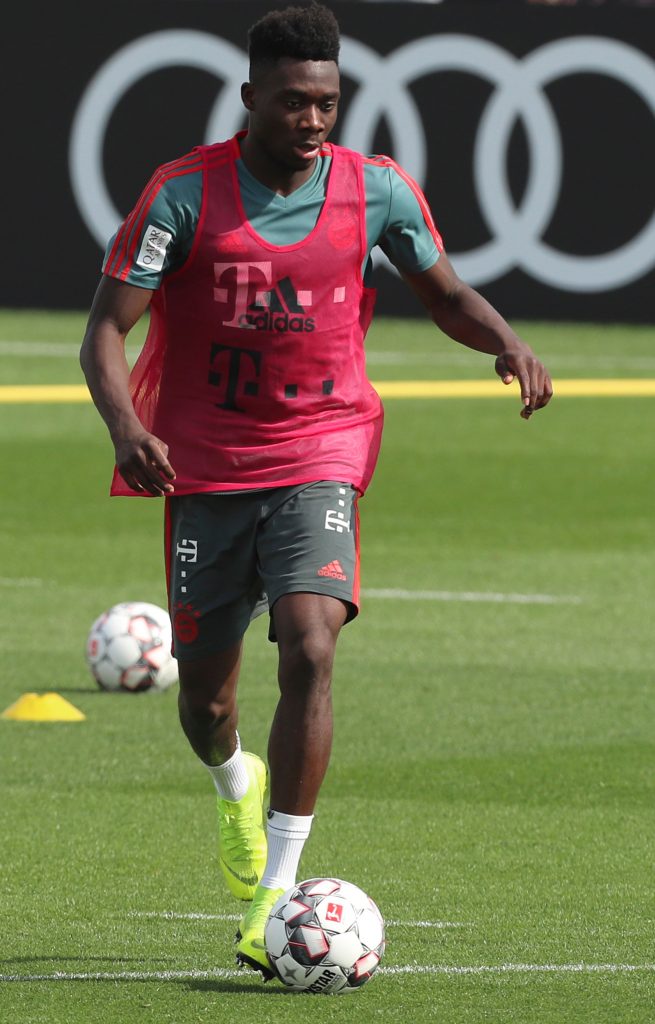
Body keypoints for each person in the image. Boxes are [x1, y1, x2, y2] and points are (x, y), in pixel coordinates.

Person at [80, 1, 552, 981]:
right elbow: (106, 330)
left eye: (327, 103)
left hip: (319, 448)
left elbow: (444, 294)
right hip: (204, 464)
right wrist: (128, 430)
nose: (312, 119)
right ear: (250, 97)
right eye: (293, 101)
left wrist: (503, 339)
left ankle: (275, 890)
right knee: (205, 702)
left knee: (311, 642)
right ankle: (233, 784)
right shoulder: (182, 194)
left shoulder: (376, 190)